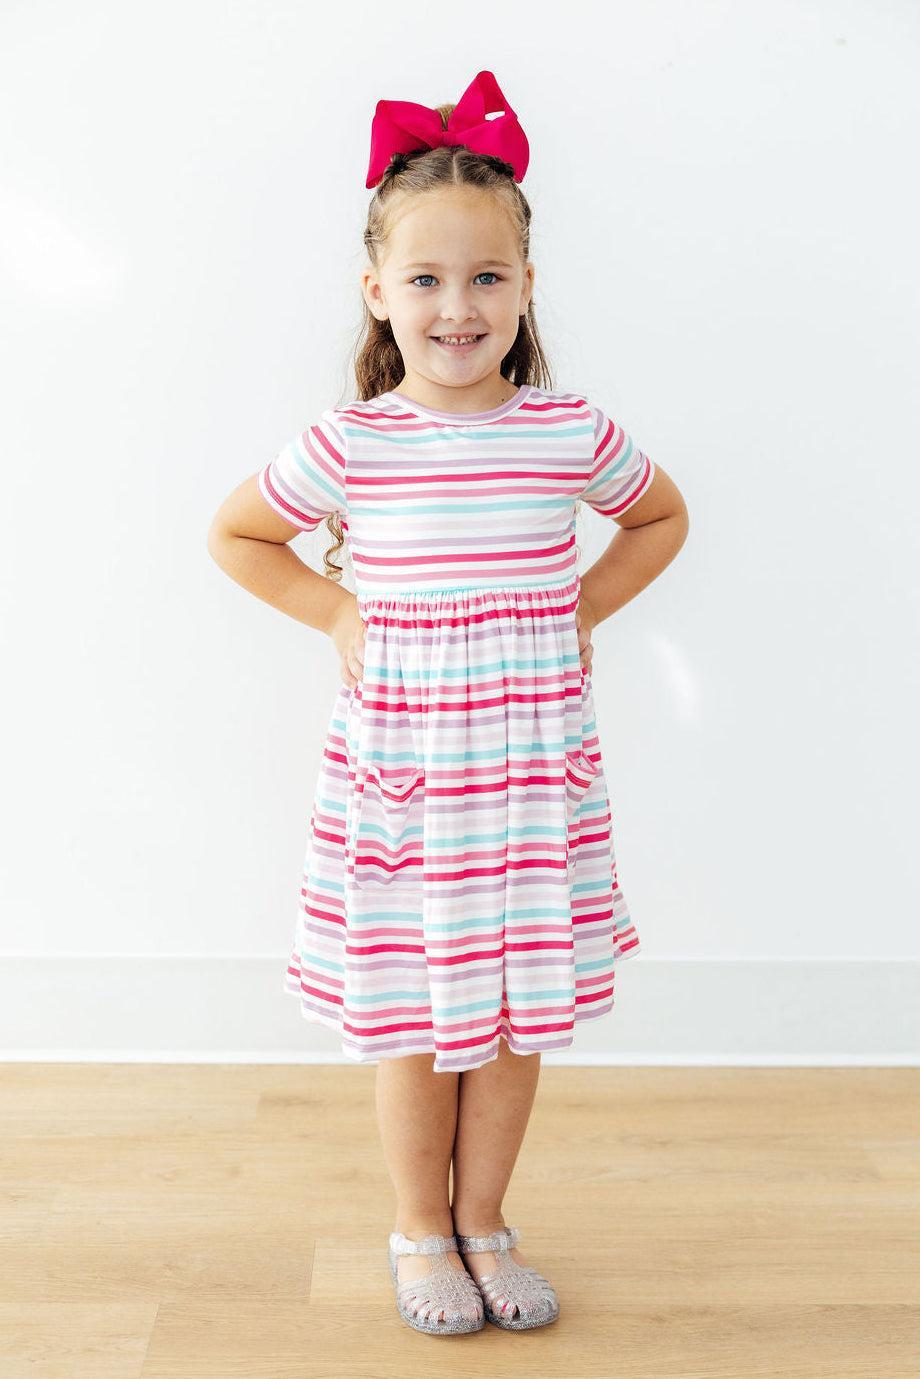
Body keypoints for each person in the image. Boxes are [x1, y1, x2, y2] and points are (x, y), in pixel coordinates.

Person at [207, 69, 689, 1336]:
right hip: (408, 786)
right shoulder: (353, 442)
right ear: (377, 291)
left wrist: (581, 606)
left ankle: (485, 1220)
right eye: (425, 279)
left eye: (485, 277)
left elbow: (658, 516)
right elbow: (238, 534)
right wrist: (338, 613)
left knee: (516, 1013)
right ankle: (420, 1226)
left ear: (525, 288)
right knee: (418, 1018)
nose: (457, 306)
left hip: (526, 782)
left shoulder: (566, 431)